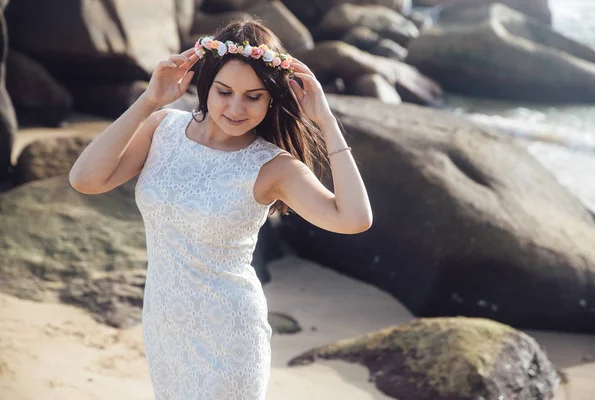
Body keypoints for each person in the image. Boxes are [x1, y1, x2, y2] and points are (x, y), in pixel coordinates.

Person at [69, 17, 372, 400]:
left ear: (272, 98)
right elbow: (85, 179)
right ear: (205, 84)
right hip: (165, 326)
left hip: (230, 338)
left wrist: (325, 120)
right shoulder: (162, 127)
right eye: (224, 91)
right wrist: (148, 101)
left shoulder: (272, 166)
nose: (235, 108)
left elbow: (355, 219)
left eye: (253, 96)